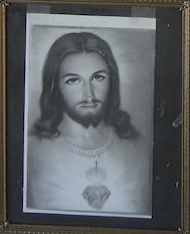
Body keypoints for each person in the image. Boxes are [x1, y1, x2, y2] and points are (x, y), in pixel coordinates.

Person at [25, 31, 152, 216]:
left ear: (112, 81)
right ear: (54, 87)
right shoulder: (30, 149)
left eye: (98, 77)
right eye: (73, 80)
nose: (89, 94)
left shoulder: (138, 145)